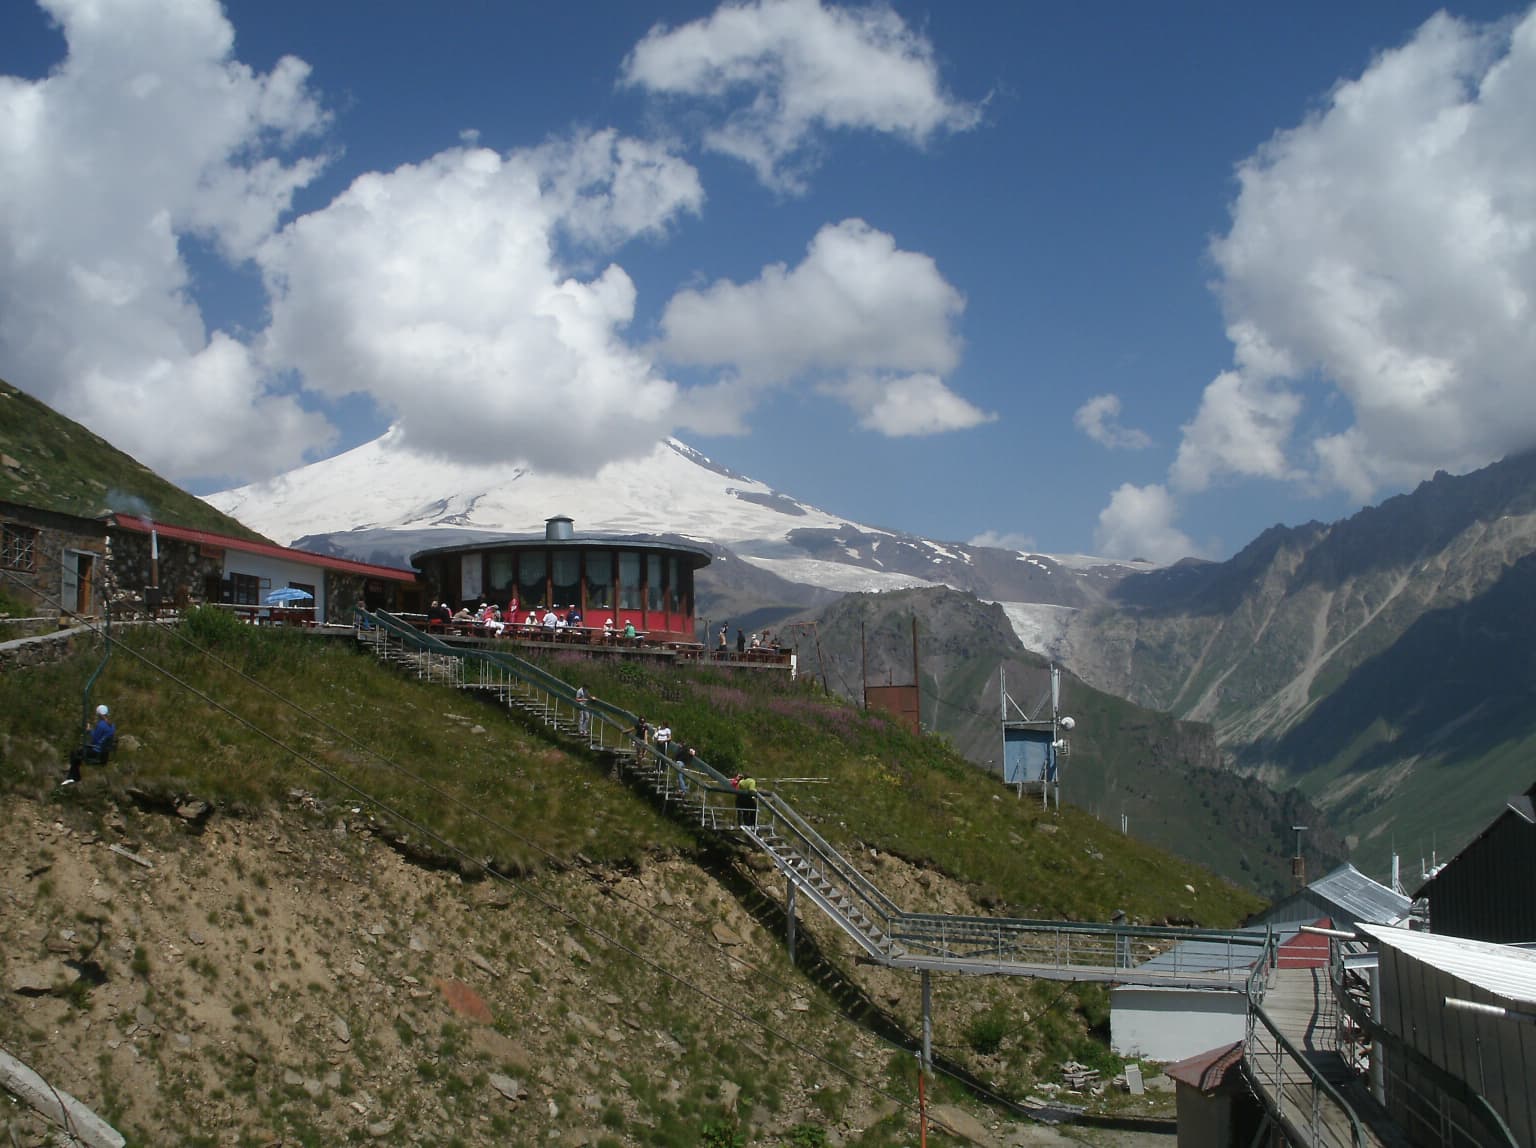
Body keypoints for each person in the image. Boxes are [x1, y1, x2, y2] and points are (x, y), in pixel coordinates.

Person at [64, 704, 116, 786]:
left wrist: (89, 730)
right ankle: (73, 776)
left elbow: (95, 740)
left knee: (74, 753)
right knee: (78, 753)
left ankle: (74, 777)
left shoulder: (101, 725)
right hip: (105, 753)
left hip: (97, 752)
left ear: (99, 714)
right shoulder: (112, 725)